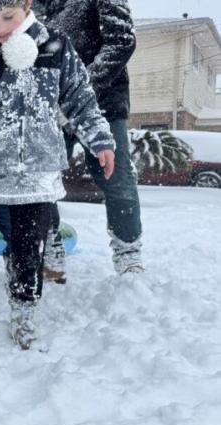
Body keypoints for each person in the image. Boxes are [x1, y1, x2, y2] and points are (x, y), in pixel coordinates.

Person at [0, 0, 115, 349]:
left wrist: (100, 139)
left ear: (26, 4)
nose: (0, 30)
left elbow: (81, 99)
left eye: (8, 18)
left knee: (29, 249)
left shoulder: (56, 49)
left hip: (36, 174)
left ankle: (24, 313)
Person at [32, 0, 143, 280]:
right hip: (51, 109)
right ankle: (49, 246)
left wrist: (79, 91)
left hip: (103, 104)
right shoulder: (36, 7)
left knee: (117, 179)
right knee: (40, 177)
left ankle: (128, 251)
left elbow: (121, 42)